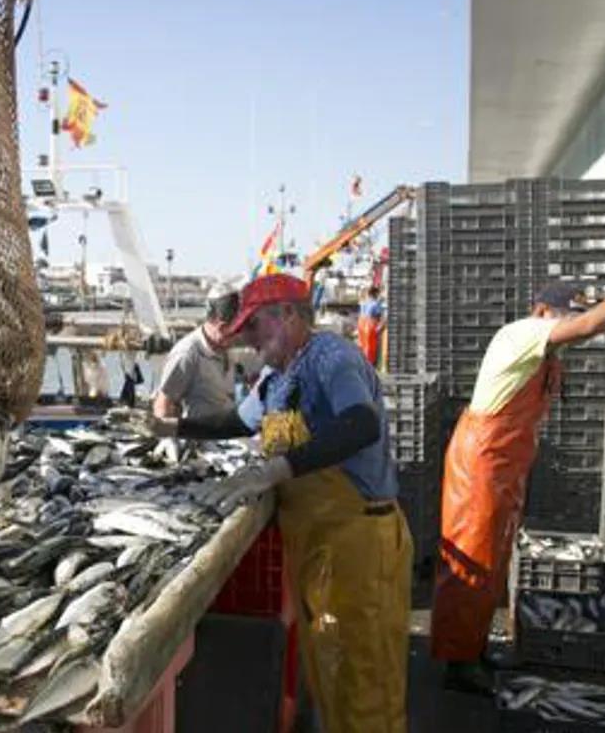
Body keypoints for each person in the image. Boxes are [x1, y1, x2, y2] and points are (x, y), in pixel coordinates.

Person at [149, 273, 410, 733]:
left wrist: (277, 469)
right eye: (243, 330)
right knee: (330, 669)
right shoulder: (276, 376)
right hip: (318, 548)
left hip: (360, 546)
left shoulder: (332, 358)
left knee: (365, 679)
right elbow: (236, 421)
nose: (247, 340)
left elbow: (360, 424)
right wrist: (173, 428)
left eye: (255, 327)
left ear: (288, 316)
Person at [432, 255, 605, 693]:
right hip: (482, 462)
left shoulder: (544, 341)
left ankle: (474, 648)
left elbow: (583, 322)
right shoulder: (522, 333)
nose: (570, 322)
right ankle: (457, 663)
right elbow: (587, 326)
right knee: (472, 563)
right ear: (542, 311)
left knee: (494, 561)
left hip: (506, 463)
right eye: (565, 313)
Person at [152, 283, 240, 421]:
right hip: (199, 438)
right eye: (231, 331)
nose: (235, 337)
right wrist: (171, 440)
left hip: (227, 433)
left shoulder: (225, 347)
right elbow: (163, 405)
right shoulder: (187, 354)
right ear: (220, 325)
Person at [356, 286, 384, 366]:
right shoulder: (375, 304)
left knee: (362, 344)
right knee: (370, 346)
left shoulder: (363, 302)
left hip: (361, 323)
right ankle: (369, 364)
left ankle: (361, 363)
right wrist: (381, 326)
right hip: (370, 324)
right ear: (375, 294)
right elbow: (379, 316)